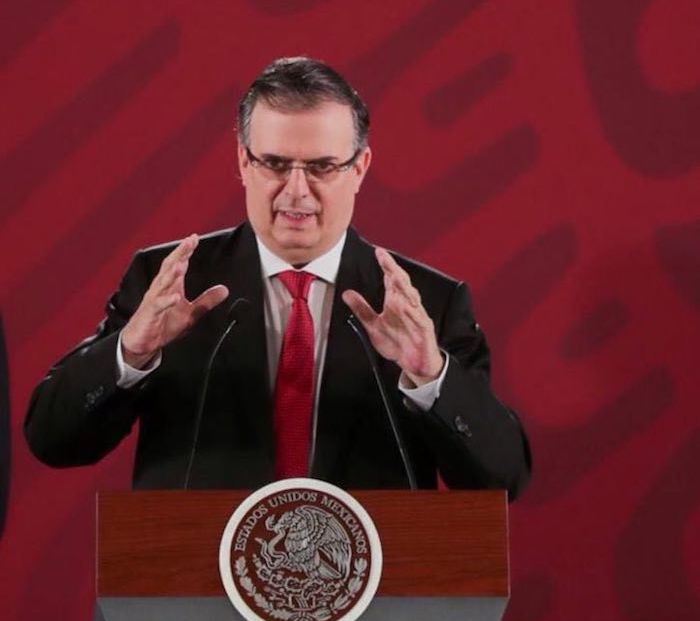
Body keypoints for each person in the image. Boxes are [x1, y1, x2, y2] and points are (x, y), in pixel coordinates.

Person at [24, 57, 531, 498]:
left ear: (360, 168)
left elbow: (503, 480)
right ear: (243, 162)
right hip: (197, 577)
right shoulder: (170, 283)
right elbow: (53, 440)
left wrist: (431, 375)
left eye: (322, 167)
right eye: (274, 163)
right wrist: (130, 352)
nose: (296, 191)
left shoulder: (426, 303)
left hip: (375, 581)